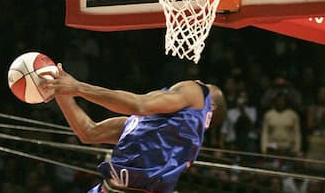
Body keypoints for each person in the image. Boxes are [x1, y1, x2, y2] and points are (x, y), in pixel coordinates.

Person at [41, 63, 227, 193]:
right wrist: (61, 92)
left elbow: (139, 105)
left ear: (211, 106)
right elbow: (89, 133)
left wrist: (77, 87)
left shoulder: (197, 91)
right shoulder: (168, 134)